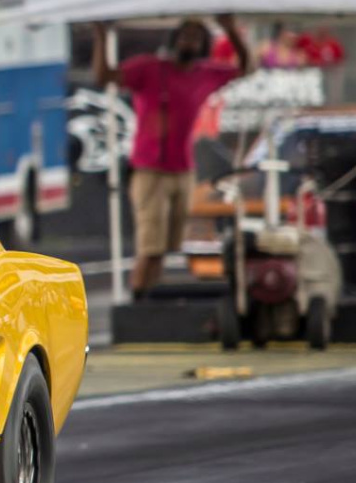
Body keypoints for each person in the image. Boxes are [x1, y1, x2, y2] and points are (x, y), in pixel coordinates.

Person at [93, 17, 253, 298]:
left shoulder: (206, 73)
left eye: (195, 38)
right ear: (173, 40)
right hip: (150, 170)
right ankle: (138, 302)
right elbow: (104, 76)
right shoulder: (150, 68)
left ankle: (151, 297)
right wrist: (100, 35)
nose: (188, 42)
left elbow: (246, 68)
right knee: (150, 246)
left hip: (182, 170)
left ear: (204, 45)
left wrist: (229, 30)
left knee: (168, 247)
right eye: (184, 36)